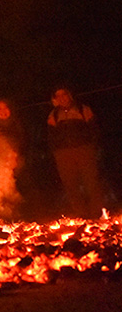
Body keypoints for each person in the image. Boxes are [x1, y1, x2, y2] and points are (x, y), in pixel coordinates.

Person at [47, 86, 105, 219]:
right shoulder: (53, 115)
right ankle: (81, 214)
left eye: (64, 94)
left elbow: (94, 129)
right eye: (58, 96)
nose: (62, 98)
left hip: (84, 150)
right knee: (71, 184)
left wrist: (92, 147)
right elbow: (51, 136)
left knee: (91, 182)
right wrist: (57, 153)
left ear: (69, 95)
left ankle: (97, 213)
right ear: (55, 99)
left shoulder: (82, 109)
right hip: (64, 154)